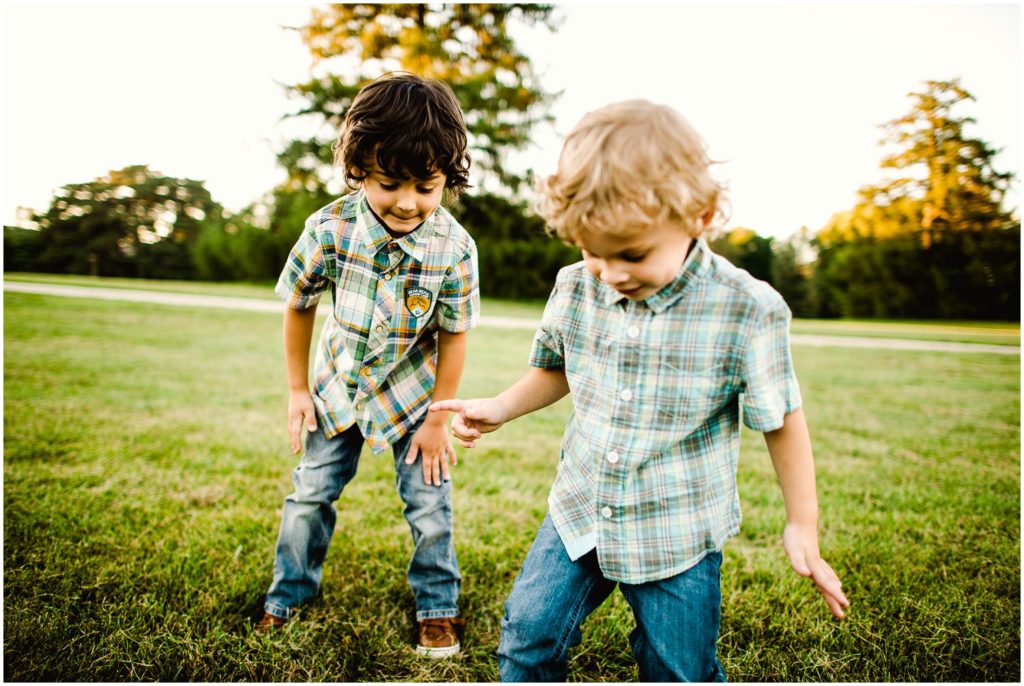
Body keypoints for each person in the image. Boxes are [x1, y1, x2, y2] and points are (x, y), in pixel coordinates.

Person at [430, 99, 849, 681]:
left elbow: (781, 419)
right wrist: (501, 406)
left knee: (677, 668)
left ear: (699, 216)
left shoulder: (746, 310)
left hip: (677, 529)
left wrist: (802, 522)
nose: (610, 272)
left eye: (632, 254)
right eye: (592, 251)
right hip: (580, 509)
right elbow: (558, 368)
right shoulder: (577, 286)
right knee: (526, 639)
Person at [256, 72, 480, 660]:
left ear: (446, 180)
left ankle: (438, 608)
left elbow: (454, 336)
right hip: (337, 391)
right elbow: (298, 306)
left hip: (413, 399)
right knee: (310, 496)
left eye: (426, 186)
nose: (408, 202)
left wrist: (438, 419)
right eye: (390, 183)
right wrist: (297, 390)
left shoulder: (453, 248)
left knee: (430, 505)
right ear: (359, 168)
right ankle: (287, 598)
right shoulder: (327, 229)